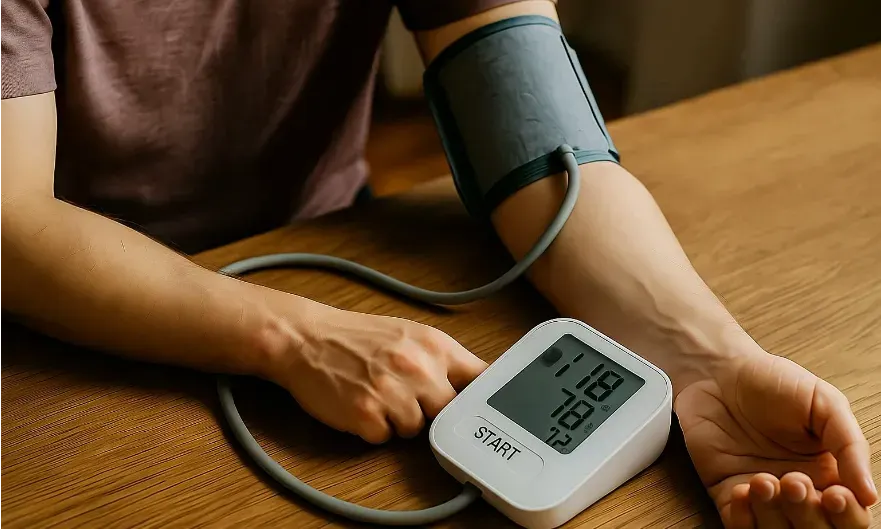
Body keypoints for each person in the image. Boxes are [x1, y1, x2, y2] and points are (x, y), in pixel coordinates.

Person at [1, 1, 876, 527]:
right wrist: (289, 335)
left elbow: (539, 146)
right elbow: (11, 223)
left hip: (329, 248)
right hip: (59, 333)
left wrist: (707, 362)